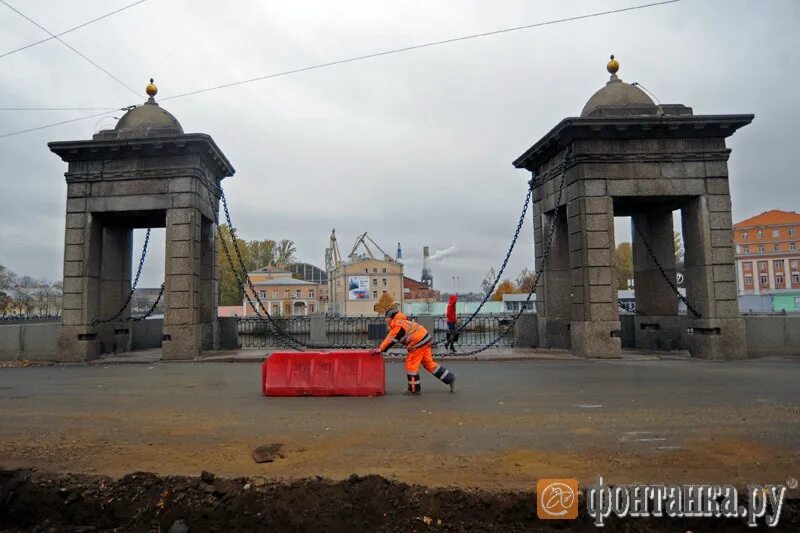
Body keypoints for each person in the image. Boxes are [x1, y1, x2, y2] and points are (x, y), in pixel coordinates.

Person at [375, 309, 455, 394]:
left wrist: (380, 349)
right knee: (428, 363)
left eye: (386, 317)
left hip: (417, 343)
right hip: (425, 339)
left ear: (391, 317)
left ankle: (414, 389)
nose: (385, 320)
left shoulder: (397, 324)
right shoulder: (403, 322)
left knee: (411, 365)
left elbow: (390, 340)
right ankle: (450, 378)